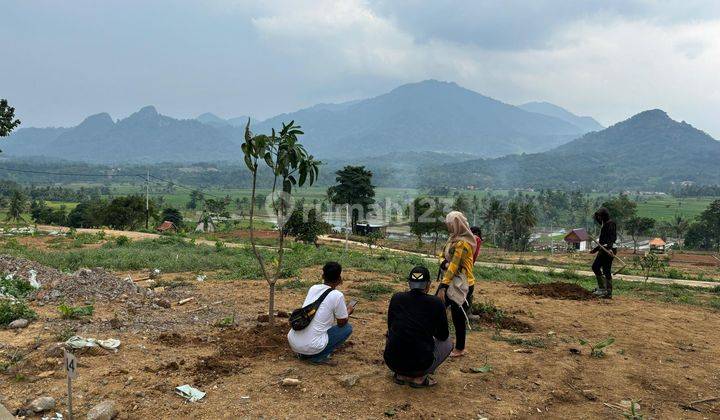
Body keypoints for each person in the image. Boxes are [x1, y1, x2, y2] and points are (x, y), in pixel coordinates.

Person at [384, 266, 453, 388]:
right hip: (420, 365)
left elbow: (390, 327)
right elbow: (443, 335)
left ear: (410, 283)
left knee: (393, 333)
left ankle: (400, 375)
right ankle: (419, 378)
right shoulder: (436, 303)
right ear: (428, 285)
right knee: (448, 342)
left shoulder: (397, 298)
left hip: (392, 363)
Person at [287, 261, 354, 365]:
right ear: (339, 279)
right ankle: (318, 357)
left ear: (323, 275)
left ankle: (304, 353)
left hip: (293, 342)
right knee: (347, 328)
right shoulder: (337, 295)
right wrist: (348, 311)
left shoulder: (313, 288)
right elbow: (342, 323)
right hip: (312, 346)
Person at [437, 211, 477, 357]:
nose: (448, 227)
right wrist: (444, 263)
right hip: (450, 280)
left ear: (457, 225)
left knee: (457, 315)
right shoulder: (452, 239)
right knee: (437, 306)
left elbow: (454, 266)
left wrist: (443, 284)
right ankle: (439, 338)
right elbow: (441, 256)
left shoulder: (464, 243)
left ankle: (460, 348)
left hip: (462, 285)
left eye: (450, 224)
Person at [590, 207, 617, 299]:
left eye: (600, 216)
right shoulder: (604, 224)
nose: (599, 218)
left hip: (609, 250)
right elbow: (602, 243)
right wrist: (595, 250)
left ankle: (606, 291)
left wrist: (609, 248)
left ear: (604, 216)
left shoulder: (611, 224)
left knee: (605, 269)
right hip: (604, 249)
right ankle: (603, 289)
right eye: (598, 217)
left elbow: (612, 238)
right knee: (596, 267)